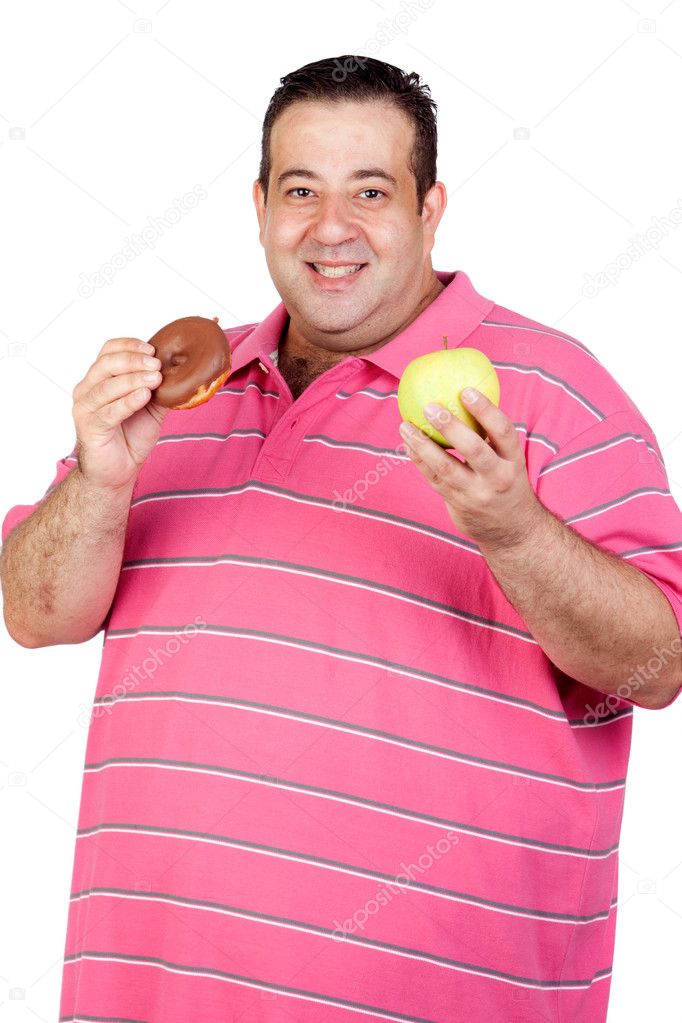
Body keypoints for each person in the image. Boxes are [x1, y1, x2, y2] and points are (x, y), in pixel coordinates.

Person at [2, 53, 681, 1023]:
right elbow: (34, 615)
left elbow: (658, 663)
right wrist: (101, 479)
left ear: (429, 208)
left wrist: (511, 527)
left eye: (370, 191)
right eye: (300, 190)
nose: (330, 227)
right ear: (259, 207)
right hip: (143, 993)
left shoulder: (549, 392)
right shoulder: (171, 398)